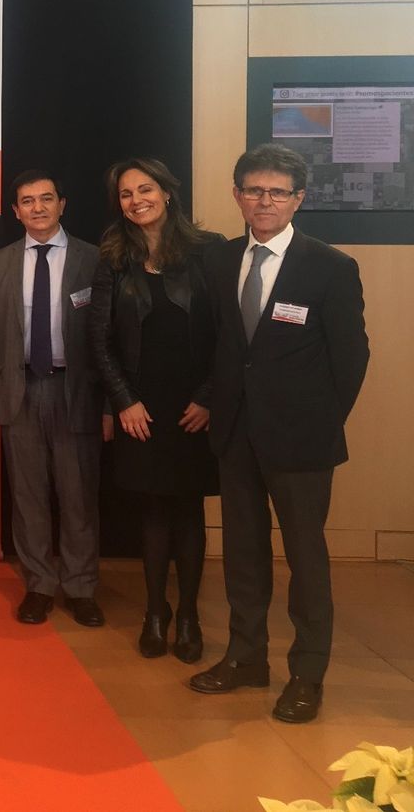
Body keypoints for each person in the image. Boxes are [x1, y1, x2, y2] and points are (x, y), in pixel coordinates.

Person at [190, 144, 369, 725]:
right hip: (236, 435)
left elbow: (351, 359)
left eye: (277, 192)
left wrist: (319, 422)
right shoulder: (220, 260)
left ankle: (307, 674)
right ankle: (246, 658)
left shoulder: (331, 267)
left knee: (306, 559)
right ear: (237, 194)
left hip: (302, 442)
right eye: (253, 190)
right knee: (243, 554)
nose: (264, 201)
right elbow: (224, 346)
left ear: (298, 199)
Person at [89, 158, 221, 661]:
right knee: (152, 512)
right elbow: (99, 340)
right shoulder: (113, 257)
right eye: (126, 194)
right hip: (139, 407)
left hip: (194, 407)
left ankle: (188, 615)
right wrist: (124, 401)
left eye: (145, 189)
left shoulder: (209, 251)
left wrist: (208, 396)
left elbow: (230, 335)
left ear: (167, 192)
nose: (136, 200)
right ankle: (155, 613)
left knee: (188, 511)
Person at [0, 171, 105, 626]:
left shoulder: (94, 258)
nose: (38, 208)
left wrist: (110, 404)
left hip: (76, 392)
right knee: (28, 496)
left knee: (78, 495)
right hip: (19, 390)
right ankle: (40, 584)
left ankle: (80, 587)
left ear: (62, 204)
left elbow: (110, 336)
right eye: (27, 201)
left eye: (47, 199)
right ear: (15, 211)